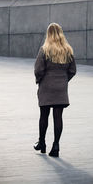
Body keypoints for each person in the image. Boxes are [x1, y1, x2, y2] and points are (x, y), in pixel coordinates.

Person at [34, 22, 76, 157]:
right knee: (58, 117)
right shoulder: (68, 50)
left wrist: (39, 81)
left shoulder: (45, 50)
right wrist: (64, 80)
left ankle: (42, 143)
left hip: (46, 87)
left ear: (49, 34)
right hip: (61, 89)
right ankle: (56, 146)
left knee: (44, 116)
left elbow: (38, 70)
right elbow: (72, 70)